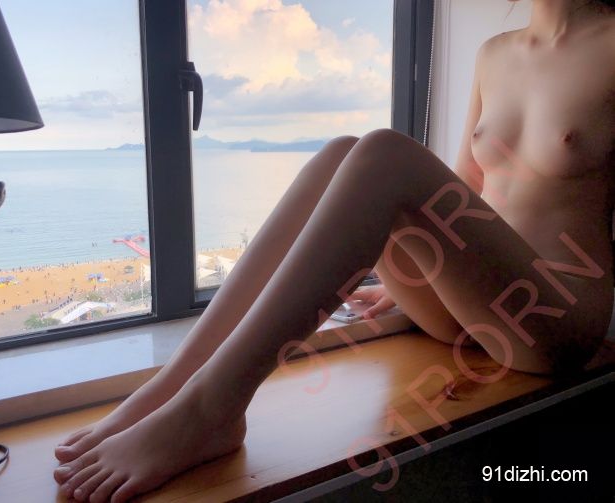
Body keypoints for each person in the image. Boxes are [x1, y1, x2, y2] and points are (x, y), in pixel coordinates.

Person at [53, 1, 615, 501]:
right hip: (476, 304)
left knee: (385, 153)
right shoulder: (495, 52)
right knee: (344, 152)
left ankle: (211, 410)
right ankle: (172, 386)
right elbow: (467, 190)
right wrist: (428, 273)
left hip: (553, 319)